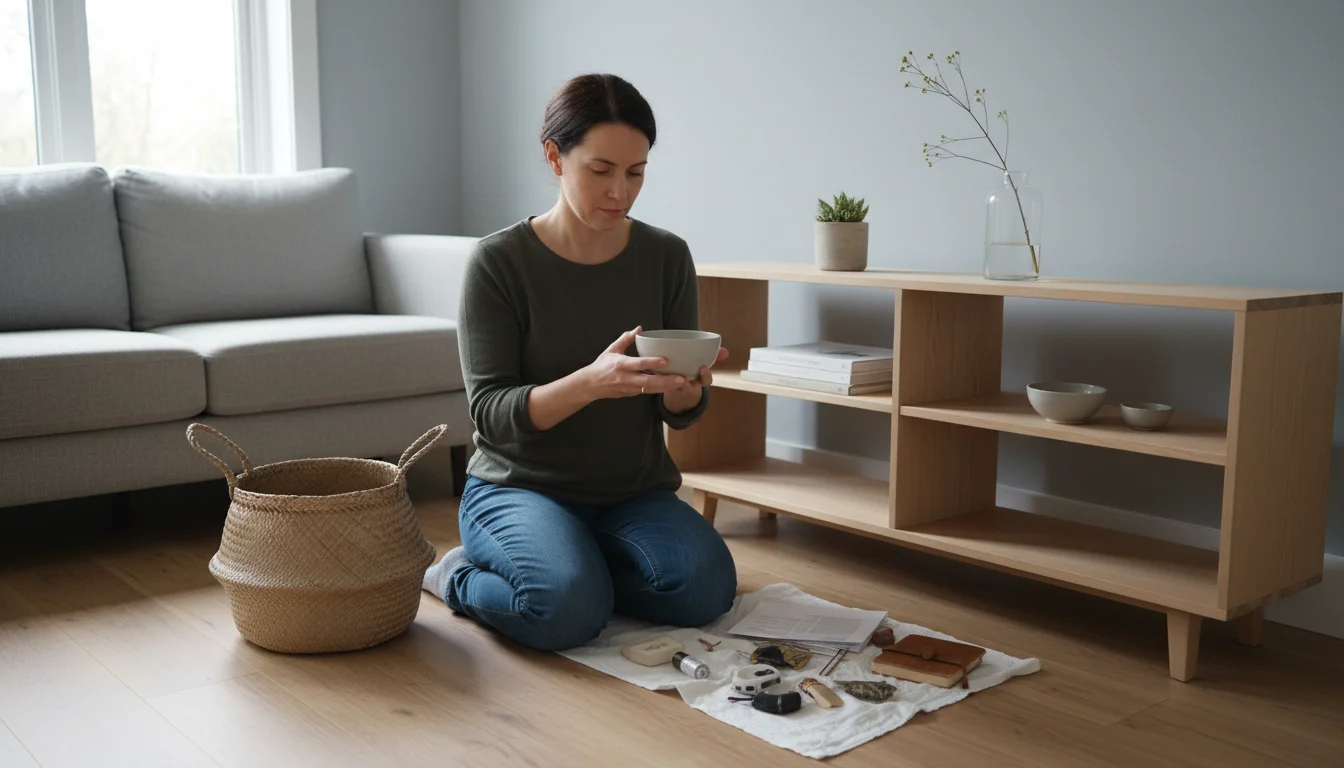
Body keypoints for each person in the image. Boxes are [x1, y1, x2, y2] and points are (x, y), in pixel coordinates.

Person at [421, 73, 738, 651]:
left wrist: (686, 391)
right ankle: (459, 577)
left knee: (707, 589)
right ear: (554, 157)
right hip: (519, 488)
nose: (621, 191)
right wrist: (590, 384)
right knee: (564, 611)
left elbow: (680, 414)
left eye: (636, 172)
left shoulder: (667, 256)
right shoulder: (498, 263)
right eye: (601, 170)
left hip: (631, 492)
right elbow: (491, 414)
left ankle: (580, 572)